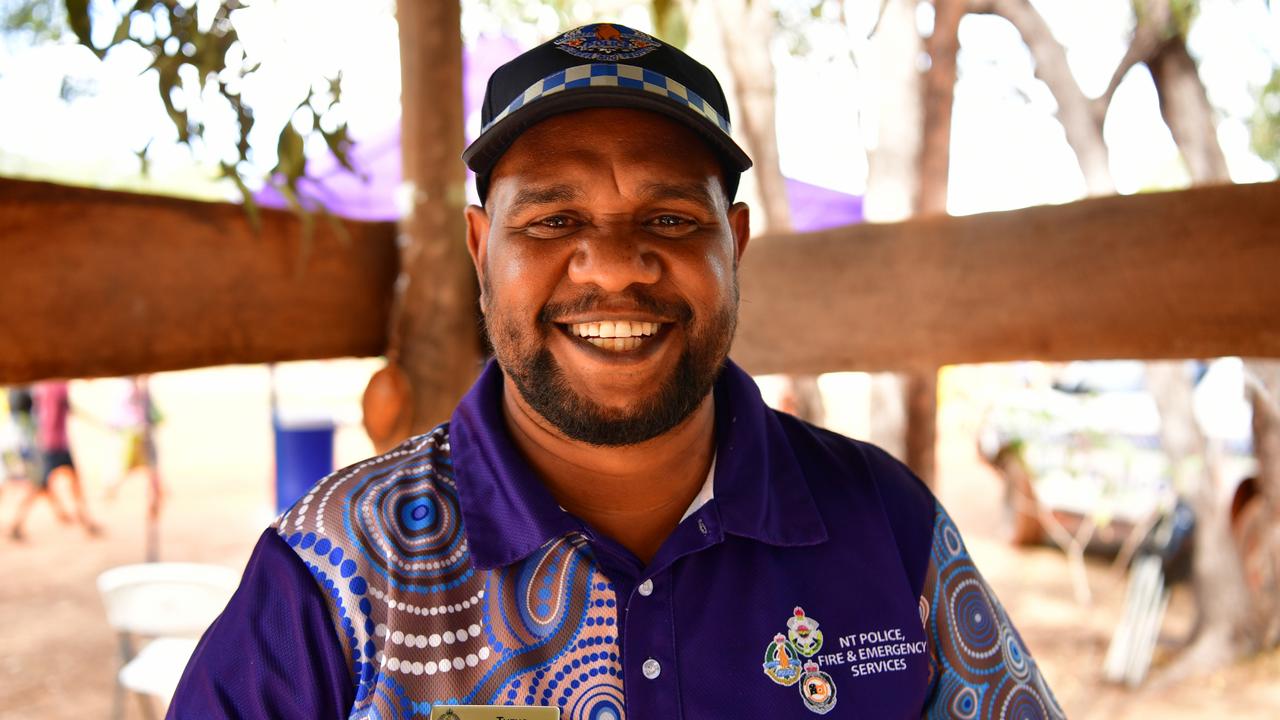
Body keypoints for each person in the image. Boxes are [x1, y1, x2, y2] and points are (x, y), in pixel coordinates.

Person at [171, 23, 1063, 719]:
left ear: (735, 245)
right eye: (554, 222)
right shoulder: (337, 568)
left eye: (671, 220)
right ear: (482, 251)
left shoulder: (883, 522)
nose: (614, 265)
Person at [9, 380, 100, 541]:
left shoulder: (52, 385)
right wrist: (44, 442)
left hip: (56, 442)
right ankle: (16, 524)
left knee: (72, 482)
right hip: (53, 444)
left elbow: (63, 408)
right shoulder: (54, 385)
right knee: (39, 486)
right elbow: (50, 413)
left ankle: (85, 520)